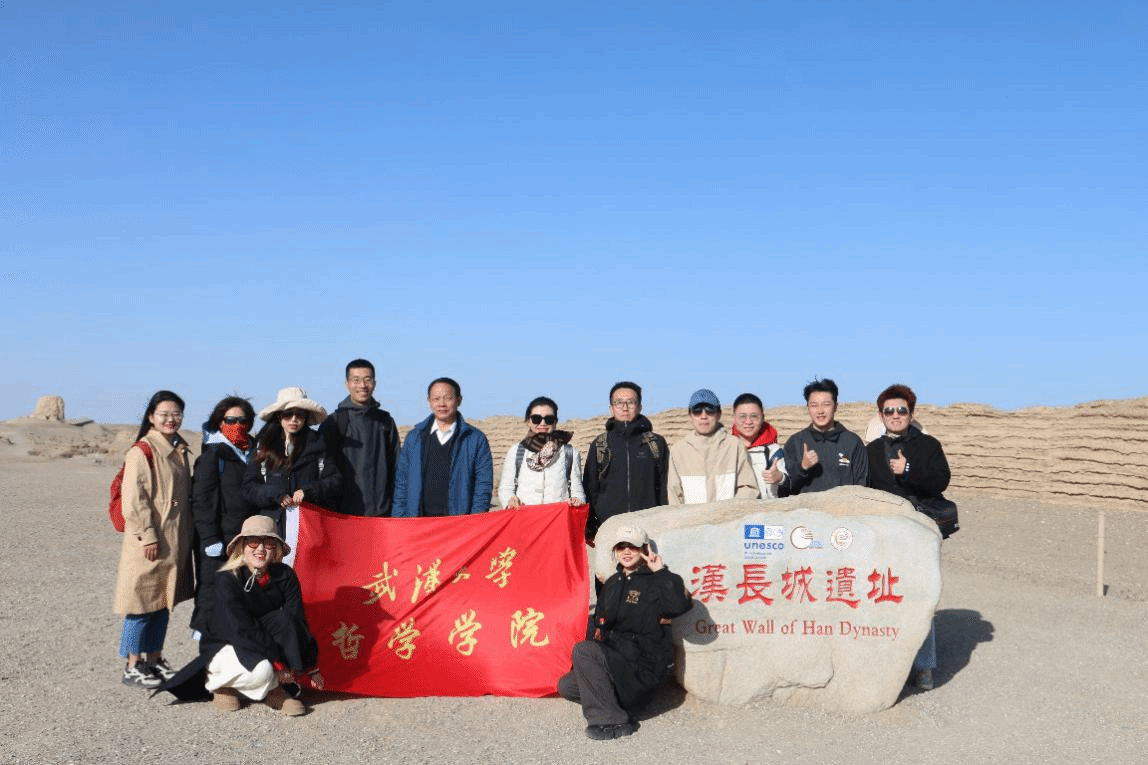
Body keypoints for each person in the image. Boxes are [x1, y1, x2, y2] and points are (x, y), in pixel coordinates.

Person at [557, 525, 693, 740]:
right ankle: (613, 702)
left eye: (633, 546)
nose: (626, 551)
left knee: (584, 650)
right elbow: (600, 622)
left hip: (641, 667)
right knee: (566, 686)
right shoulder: (613, 582)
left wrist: (660, 571)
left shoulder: (658, 579)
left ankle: (613, 719)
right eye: (621, 547)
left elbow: (679, 606)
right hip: (617, 662)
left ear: (644, 549)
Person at [866, 384, 952, 692]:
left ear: (911, 414)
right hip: (885, 534)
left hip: (919, 533)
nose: (895, 415)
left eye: (901, 410)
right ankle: (889, 664)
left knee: (920, 597)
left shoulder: (929, 445)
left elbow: (941, 479)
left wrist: (908, 469)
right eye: (888, 411)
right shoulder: (871, 451)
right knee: (883, 595)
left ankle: (924, 665)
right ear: (881, 415)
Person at [112, 390, 194, 688]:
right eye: (164, 414)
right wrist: (147, 536)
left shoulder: (179, 448)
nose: (171, 419)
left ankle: (155, 659)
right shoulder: (142, 451)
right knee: (141, 602)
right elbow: (135, 500)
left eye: (176, 414)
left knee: (162, 601)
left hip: (173, 540)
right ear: (151, 417)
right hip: (149, 540)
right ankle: (133, 664)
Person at [202, 515, 323, 715]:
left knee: (285, 621)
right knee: (263, 671)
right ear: (242, 546)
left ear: (275, 548)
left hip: (261, 641)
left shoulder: (285, 575)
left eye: (268, 543)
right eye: (253, 541)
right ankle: (222, 685)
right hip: (228, 642)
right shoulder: (227, 579)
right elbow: (241, 628)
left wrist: (310, 666)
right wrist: (278, 664)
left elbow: (297, 621)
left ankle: (273, 690)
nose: (260, 549)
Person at [242, 387, 341, 561]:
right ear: (279, 416)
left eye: (299, 415)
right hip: (271, 533)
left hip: (309, 530)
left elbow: (335, 481)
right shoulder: (263, 446)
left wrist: (308, 491)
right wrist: (274, 495)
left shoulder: (320, 445)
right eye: (288, 414)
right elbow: (249, 487)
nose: (294, 419)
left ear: (306, 417)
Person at [190, 396, 258, 638]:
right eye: (230, 420)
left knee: (242, 592)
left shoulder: (255, 454)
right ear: (219, 422)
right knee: (212, 589)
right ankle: (205, 642)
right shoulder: (212, 455)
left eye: (243, 420)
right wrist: (210, 538)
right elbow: (201, 500)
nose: (237, 425)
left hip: (247, 538)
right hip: (219, 540)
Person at [393, 377, 493, 517]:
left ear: (459, 400)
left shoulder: (474, 438)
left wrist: (475, 519)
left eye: (447, 398)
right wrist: (399, 517)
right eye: (436, 399)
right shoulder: (414, 437)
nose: (442, 404)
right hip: (418, 520)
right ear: (429, 401)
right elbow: (402, 482)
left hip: (458, 521)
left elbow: (483, 484)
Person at [582, 381, 669, 542]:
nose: (625, 407)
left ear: (640, 406)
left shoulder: (656, 444)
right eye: (619, 402)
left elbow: (664, 487)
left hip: (649, 528)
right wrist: (590, 527)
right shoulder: (600, 444)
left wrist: (664, 522)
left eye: (631, 402)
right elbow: (590, 488)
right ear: (611, 408)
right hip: (610, 528)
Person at [319, 358, 401, 517]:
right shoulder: (334, 422)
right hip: (343, 514)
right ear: (347, 384)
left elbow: (396, 467)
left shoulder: (385, 421)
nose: (362, 385)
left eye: (367, 380)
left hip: (381, 512)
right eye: (356, 380)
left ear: (374, 384)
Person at [666, 389, 758, 505]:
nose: (703, 416)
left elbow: (748, 488)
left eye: (709, 410)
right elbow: (674, 495)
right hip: (692, 517)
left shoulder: (734, 446)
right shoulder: (678, 450)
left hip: (729, 516)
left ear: (719, 414)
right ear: (690, 416)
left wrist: (730, 512)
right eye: (697, 411)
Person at [780, 378, 868, 495]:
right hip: (806, 506)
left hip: (843, 506)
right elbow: (785, 487)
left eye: (826, 405)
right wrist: (802, 467)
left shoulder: (852, 442)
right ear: (808, 408)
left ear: (835, 407)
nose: (820, 411)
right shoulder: (795, 443)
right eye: (814, 405)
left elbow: (862, 485)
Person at [497, 396, 586, 509]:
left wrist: (577, 500)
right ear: (528, 421)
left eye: (549, 419)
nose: (542, 423)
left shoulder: (570, 453)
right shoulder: (516, 451)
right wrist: (510, 500)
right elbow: (506, 488)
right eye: (536, 418)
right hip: (524, 517)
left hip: (557, 518)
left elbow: (577, 491)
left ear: (555, 422)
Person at [730, 392, 787, 499]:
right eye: (742, 416)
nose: (748, 422)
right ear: (734, 418)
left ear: (762, 418)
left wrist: (780, 478)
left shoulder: (773, 451)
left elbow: (789, 487)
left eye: (754, 416)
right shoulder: (727, 450)